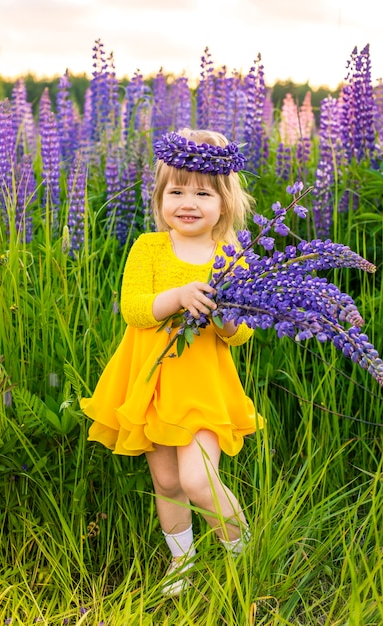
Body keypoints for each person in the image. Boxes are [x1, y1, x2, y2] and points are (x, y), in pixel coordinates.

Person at [80, 128, 263, 596]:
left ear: (225, 202)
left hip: (202, 386)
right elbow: (134, 308)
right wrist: (179, 296)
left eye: (202, 192)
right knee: (166, 480)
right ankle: (181, 565)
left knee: (198, 479)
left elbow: (241, 333)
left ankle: (245, 555)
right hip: (151, 382)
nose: (187, 202)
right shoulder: (150, 247)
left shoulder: (231, 253)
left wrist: (224, 315)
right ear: (160, 197)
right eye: (175, 190)